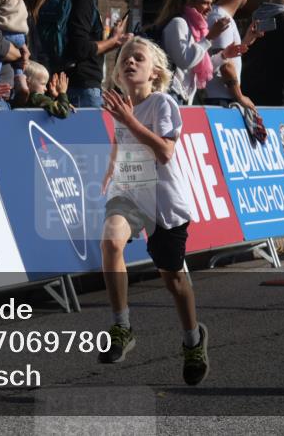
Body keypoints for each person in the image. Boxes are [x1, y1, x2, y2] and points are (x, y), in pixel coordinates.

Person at [98, 36, 209, 386]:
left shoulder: (162, 103)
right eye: (124, 58)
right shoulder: (120, 107)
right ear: (117, 72)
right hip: (130, 194)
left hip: (164, 201)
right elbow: (120, 141)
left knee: (172, 279)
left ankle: (193, 340)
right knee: (111, 242)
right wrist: (110, 171)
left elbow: (164, 152)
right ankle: (122, 326)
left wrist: (130, 121)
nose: (130, 61)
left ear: (154, 72)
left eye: (138, 58)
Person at [151, 0, 247, 105]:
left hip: (185, 96)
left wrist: (223, 55)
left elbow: (198, 63)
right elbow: (185, 61)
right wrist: (209, 37)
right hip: (171, 93)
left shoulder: (197, 28)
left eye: (211, 3)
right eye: (205, 3)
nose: (210, 8)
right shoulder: (178, 23)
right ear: (189, 2)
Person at [64, 0, 130, 107]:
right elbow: (81, 48)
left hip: (73, 84)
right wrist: (115, 41)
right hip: (83, 88)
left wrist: (111, 39)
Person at [205, 0, 260, 112]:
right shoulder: (222, 19)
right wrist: (240, 97)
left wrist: (246, 41)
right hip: (220, 100)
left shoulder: (221, 16)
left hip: (219, 97)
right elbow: (225, 66)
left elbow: (224, 54)